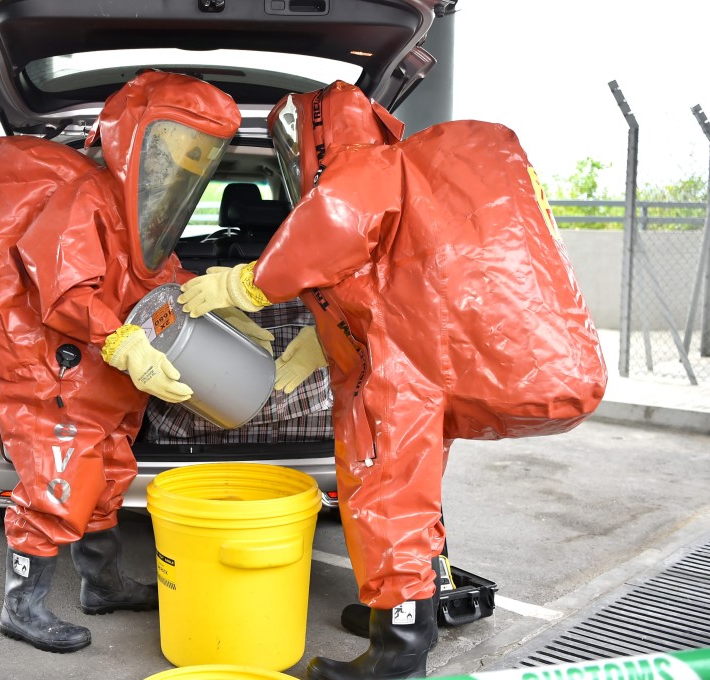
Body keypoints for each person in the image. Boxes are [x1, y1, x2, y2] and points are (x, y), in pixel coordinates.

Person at [178, 81, 606, 679]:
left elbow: (328, 230)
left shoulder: (359, 168)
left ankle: (396, 654)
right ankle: (408, 614)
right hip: (424, 360)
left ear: (320, 133)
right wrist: (319, 335)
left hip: (398, 371)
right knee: (413, 492)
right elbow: (378, 281)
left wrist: (241, 283)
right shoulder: (403, 173)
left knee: (386, 495)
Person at [0, 70, 253, 653]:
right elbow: (63, 290)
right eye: (176, 146)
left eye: (198, 152)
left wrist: (211, 299)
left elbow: (155, 275)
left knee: (107, 480)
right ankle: (23, 606)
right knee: (57, 484)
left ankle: (102, 584)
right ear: (138, 139)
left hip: (105, 384)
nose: (184, 164)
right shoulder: (88, 197)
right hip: (58, 378)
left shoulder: (143, 216)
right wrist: (124, 341)